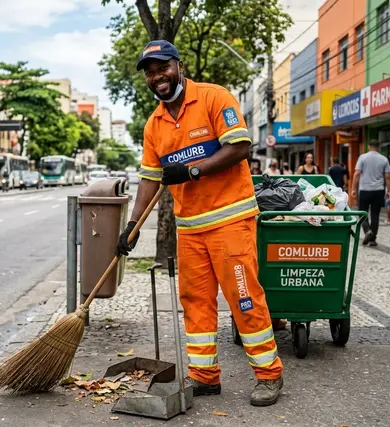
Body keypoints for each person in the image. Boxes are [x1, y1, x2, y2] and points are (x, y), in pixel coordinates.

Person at [118, 40, 283, 406]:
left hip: (231, 220)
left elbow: (240, 147)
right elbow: (150, 179)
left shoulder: (213, 98)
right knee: (195, 302)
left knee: (243, 299)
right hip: (190, 228)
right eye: (149, 71)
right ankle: (205, 376)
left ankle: (269, 374)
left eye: (162, 67)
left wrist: (191, 169)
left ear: (178, 65)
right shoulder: (154, 125)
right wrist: (132, 226)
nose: (157, 76)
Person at [352, 140, 390, 247]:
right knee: (375, 215)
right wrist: (389, 191)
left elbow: (357, 174)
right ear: (378, 147)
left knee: (362, 213)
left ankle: (367, 230)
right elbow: (387, 176)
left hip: (365, 190)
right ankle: (373, 239)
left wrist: (353, 189)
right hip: (378, 190)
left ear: (369, 146)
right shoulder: (384, 159)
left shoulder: (362, 157)